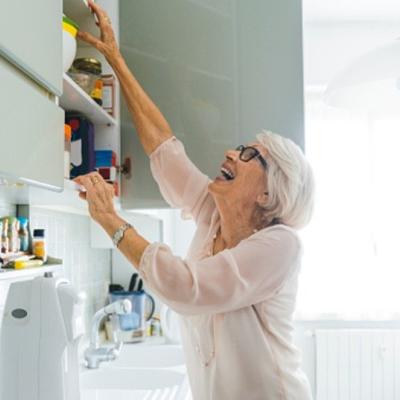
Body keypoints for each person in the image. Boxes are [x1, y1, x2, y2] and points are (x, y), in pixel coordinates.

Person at [75, 2, 315, 399]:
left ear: (269, 192)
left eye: (250, 155)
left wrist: (111, 221)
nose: (231, 153)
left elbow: (186, 288)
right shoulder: (213, 216)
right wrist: (115, 59)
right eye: (240, 146)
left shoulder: (280, 246)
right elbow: (164, 148)